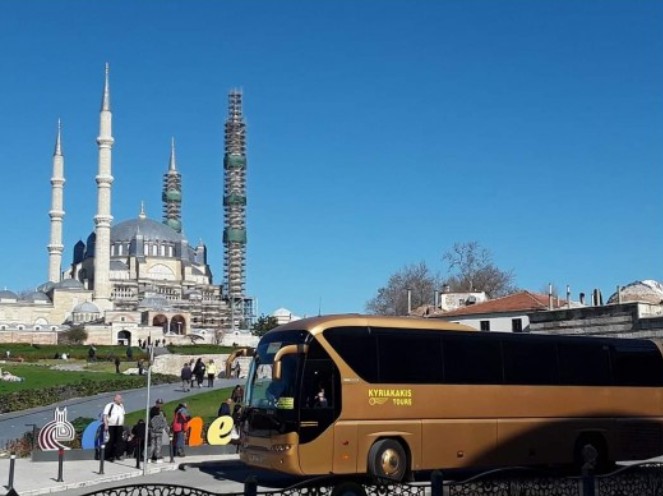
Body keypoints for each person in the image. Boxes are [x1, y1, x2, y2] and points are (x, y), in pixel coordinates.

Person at [102, 393, 126, 462]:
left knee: (120, 441)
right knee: (111, 441)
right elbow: (105, 415)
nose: (120, 400)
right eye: (119, 398)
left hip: (119, 426)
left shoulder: (121, 406)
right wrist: (106, 424)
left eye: (121, 398)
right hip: (111, 425)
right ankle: (109, 456)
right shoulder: (110, 405)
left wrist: (123, 424)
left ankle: (118, 455)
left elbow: (123, 415)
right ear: (115, 399)